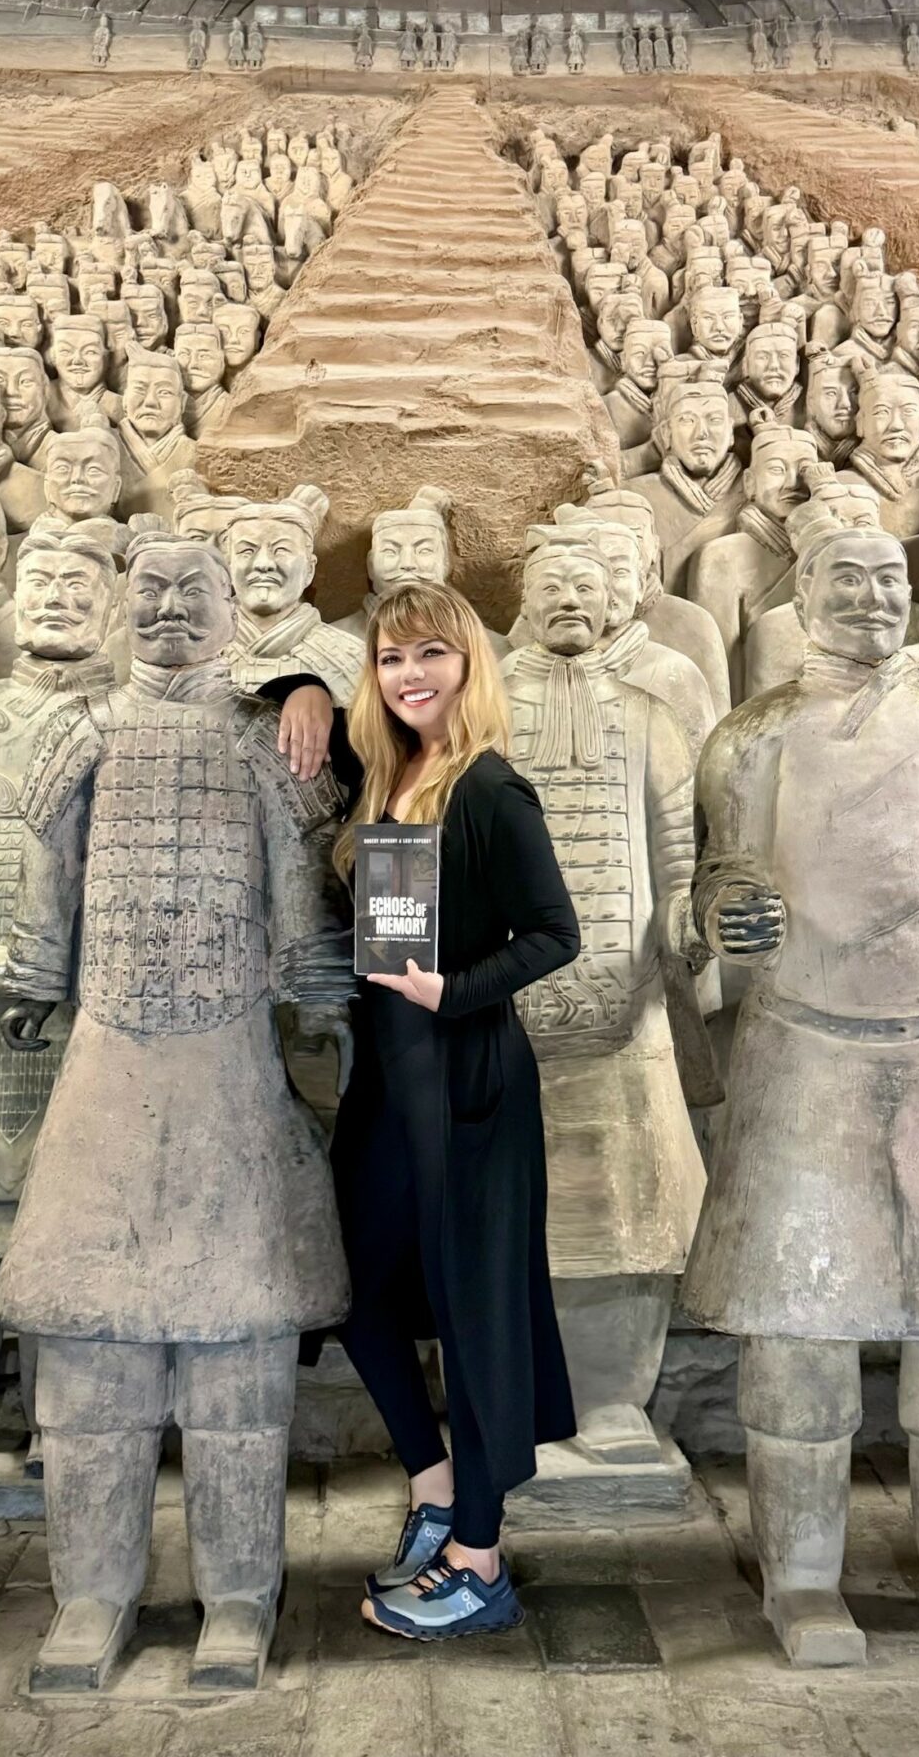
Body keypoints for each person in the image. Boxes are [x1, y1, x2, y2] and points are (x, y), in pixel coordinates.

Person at [328, 581, 580, 1640]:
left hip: (470, 1083)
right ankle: (433, 1488)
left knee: (476, 1320)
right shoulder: (389, 773)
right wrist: (301, 686)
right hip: (388, 1086)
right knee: (351, 1290)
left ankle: (479, 1561)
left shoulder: (488, 786)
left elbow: (554, 932)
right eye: (391, 658)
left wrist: (452, 989)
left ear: (470, 662)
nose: (411, 673)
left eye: (433, 651)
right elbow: (284, 699)